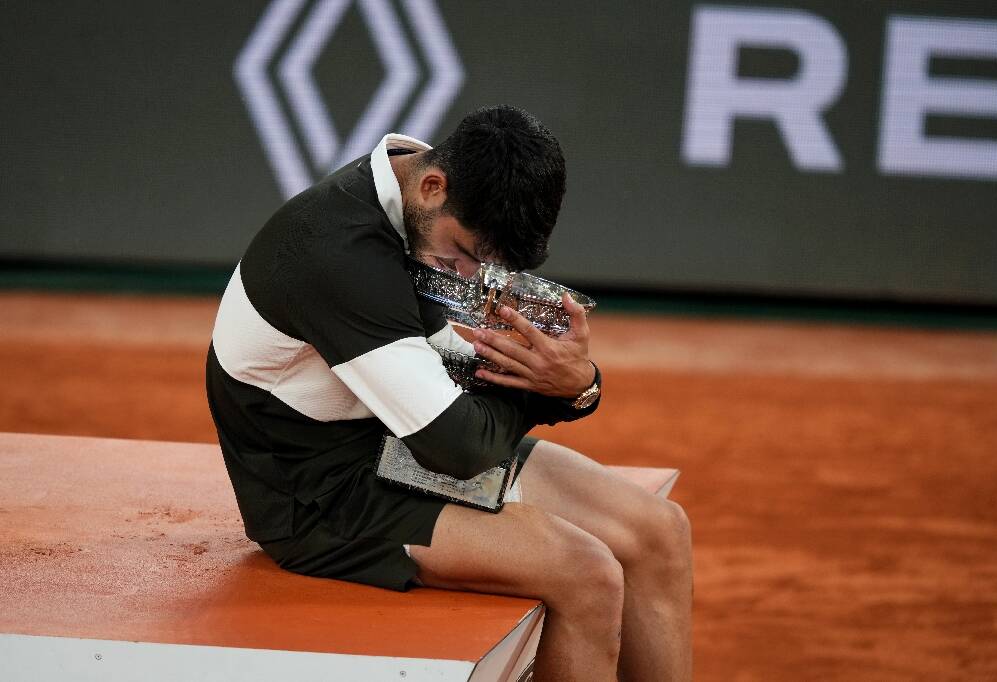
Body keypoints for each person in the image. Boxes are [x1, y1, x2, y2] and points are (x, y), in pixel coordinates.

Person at [206, 105, 692, 681]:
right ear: (432, 187)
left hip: (396, 443)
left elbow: (459, 380)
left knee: (660, 532)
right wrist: (545, 393)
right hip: (320, 497)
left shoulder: (416, 208)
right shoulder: (340, 256)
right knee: (587, 573)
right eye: (464, 255)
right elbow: (459, 447)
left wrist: (577, 384)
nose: (466, 277)